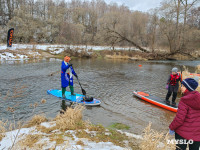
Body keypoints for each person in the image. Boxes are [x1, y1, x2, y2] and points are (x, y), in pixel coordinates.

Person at [169, 78, 200, 150]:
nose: (181, 87)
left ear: (187, 88)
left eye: (183, 86)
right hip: (197, 134)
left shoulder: (184, 100)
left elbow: (179, 119)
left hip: (182, 133)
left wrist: (171, 127)